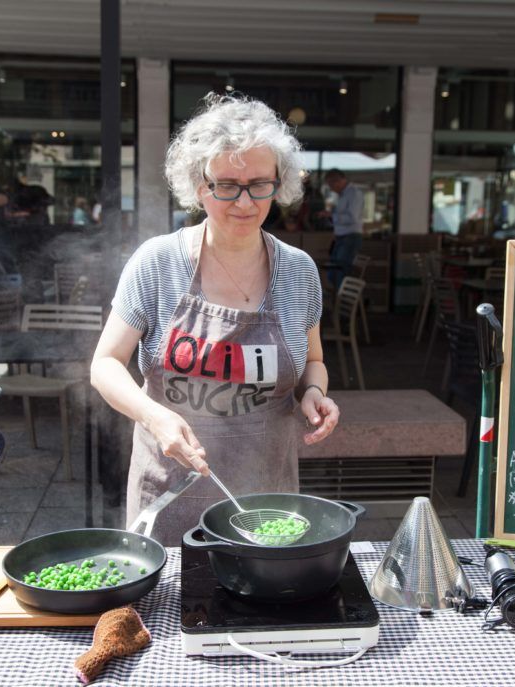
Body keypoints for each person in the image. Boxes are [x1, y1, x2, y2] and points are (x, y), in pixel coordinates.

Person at [90, 94, 340, 546]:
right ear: (199, 185)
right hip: (170, 492)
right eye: (226, 184)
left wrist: (316, 394)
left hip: (267, 496)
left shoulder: (299, 271)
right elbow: (105, 363)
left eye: (259, 184)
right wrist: (153, 416)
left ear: (277, 184)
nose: (244, 201)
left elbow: (314, 362)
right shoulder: (157, 263)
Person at [320, 168, 364, 290]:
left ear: (337, 182)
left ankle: (342, 306)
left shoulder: (354, 194)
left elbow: (353, 218)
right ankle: (337, 304)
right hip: (341, 237)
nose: (331, 188)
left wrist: (331, 216)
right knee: (332, 274)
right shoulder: (342, 195)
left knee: (341, 274)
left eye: (331, 185)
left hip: (350, 237)